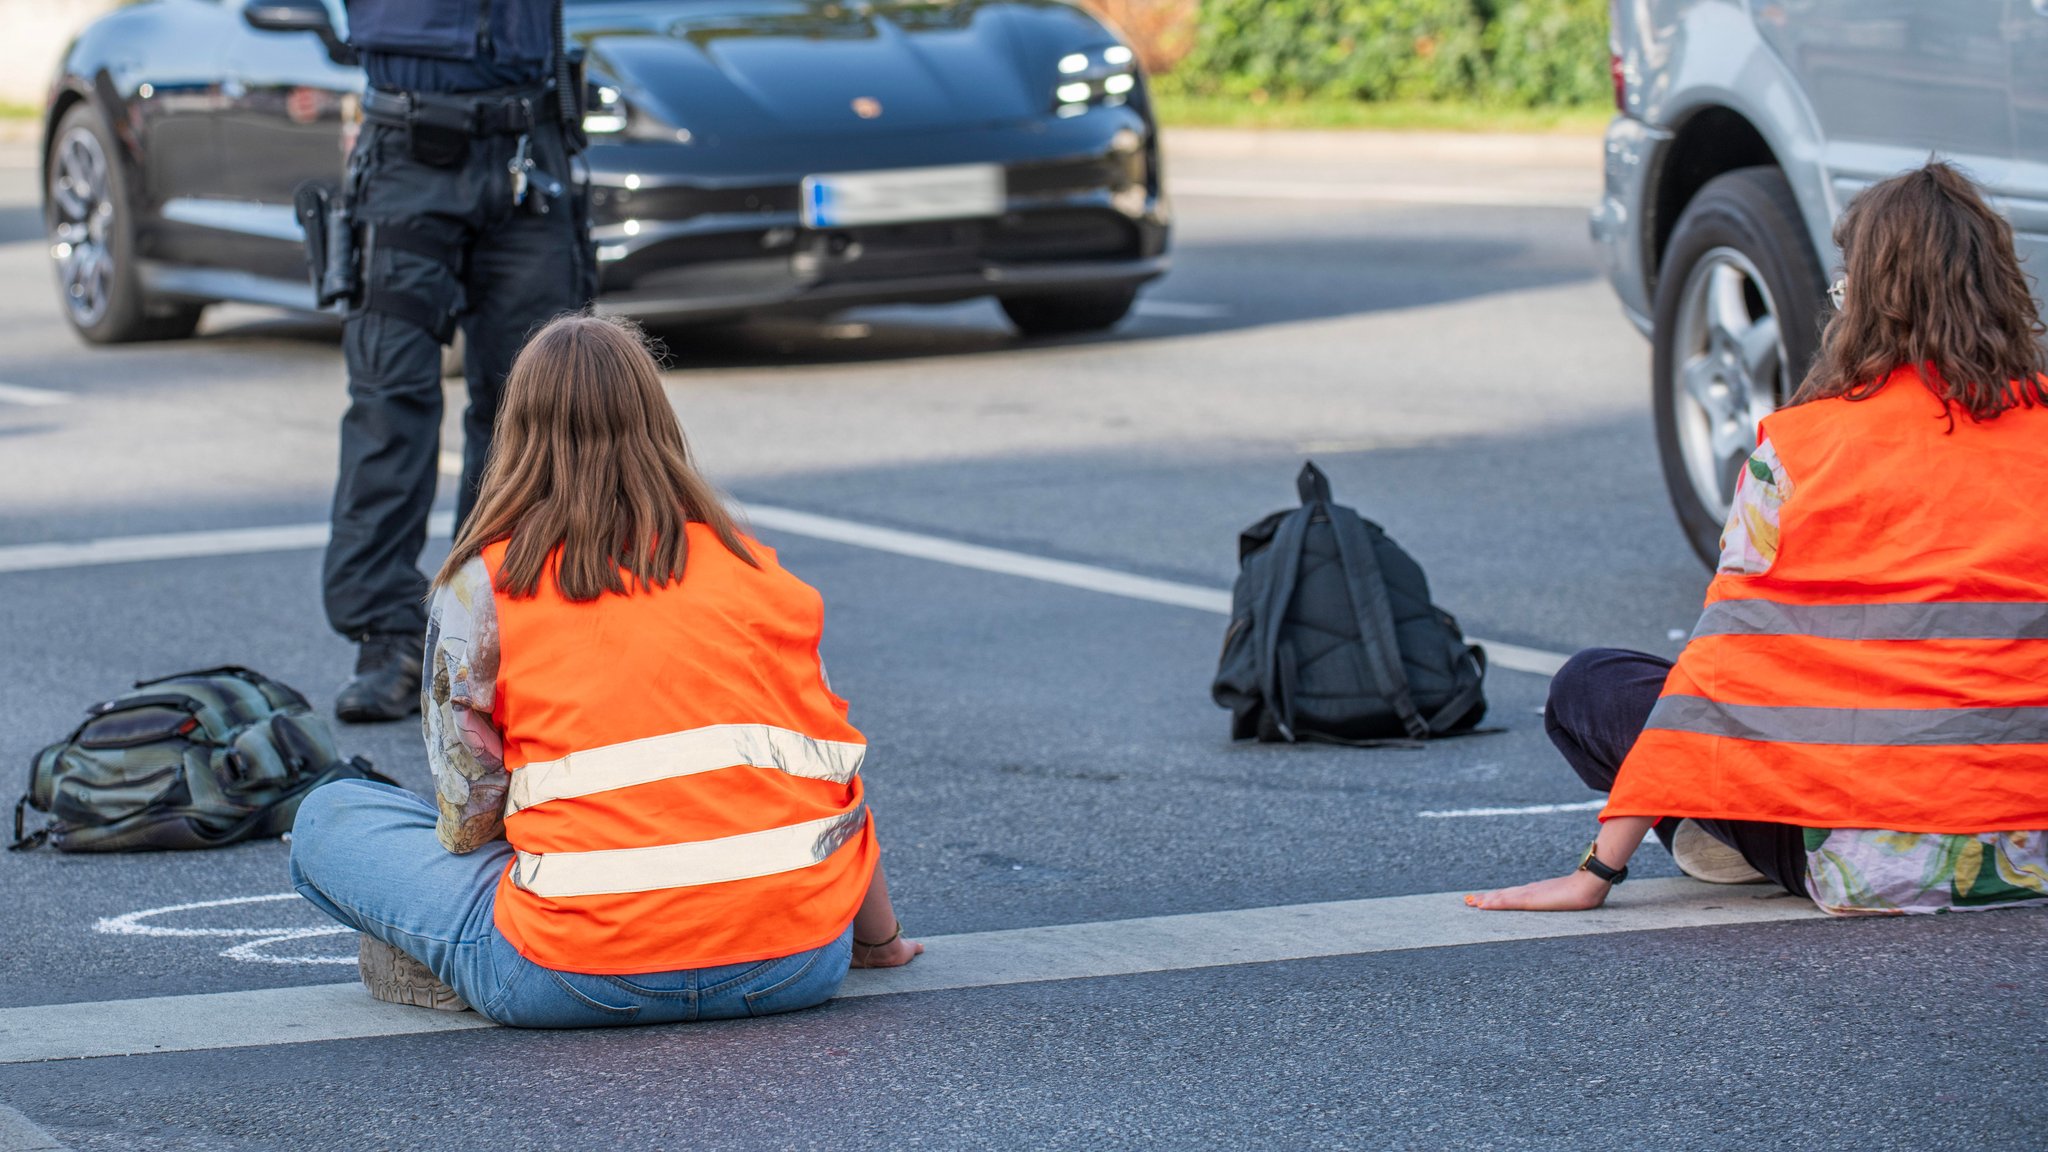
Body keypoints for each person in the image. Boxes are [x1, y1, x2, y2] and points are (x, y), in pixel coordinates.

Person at [290, 315, 921, 1027]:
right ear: (657, 421)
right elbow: (831, 768)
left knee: (328, 818)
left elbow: (467, 813)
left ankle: (451, 961)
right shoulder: (756, 571)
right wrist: (878, 940)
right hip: (792, 963)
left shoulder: (487, 583)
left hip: (572, 973)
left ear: (519, 433)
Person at [1469, 161, 2048, 916]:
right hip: (2029, 845)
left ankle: (1727, 832)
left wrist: (1597, 872)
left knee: (1591, 685)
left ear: (1865, 298)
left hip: (1863, 855)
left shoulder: (1799, 451)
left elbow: (1721, 672)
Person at [326, 0, 593, 722]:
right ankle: (389, 637)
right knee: (392, 397)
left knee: (533, 404)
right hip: (409, 145)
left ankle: (501, 624)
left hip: (529, 146)